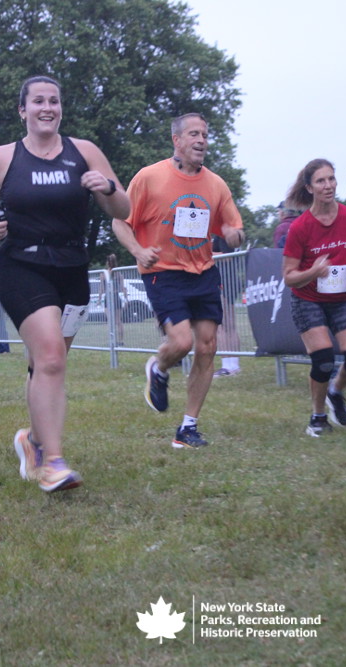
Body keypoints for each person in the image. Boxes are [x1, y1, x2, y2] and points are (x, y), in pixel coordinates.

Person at [0, 75, 130, 492]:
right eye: (38, 101)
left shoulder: (84, 152)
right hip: (21, 265)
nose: (47, 108)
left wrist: (107, 187)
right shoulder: (1, 157)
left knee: (46, 364)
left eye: (54, 101)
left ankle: (33, 441)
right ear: (23, 110)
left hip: (73, 268)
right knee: (52, 358)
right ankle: (53, 463)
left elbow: (123, 208)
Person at [112, 112, 245, 449]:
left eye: (205, 135)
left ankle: (187, 428)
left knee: (207, 347)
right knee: (182, 342)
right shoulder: (149, 177)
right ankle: (158, 368)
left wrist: (234, 234)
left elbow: (233, 226)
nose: (201, 140)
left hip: (203, 271)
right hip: (163, 271)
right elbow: (119, 222)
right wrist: (138, 251)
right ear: (177, 140)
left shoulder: (216, 184)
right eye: (194, 134)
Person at [282, 159, 346, 437]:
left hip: (342, 298)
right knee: (323, 360)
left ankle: (336, 391)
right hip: (307, 299)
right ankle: (318, 418)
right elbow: (289, 276)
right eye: (321, 181)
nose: (328, 185)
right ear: (310, 188)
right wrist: (314, 271)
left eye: (331, 178)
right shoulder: (300, 227)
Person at [212, 234, 242, 377]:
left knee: (223, 326)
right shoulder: (227, 233)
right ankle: (233, 365)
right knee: (229, 325)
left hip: (224, 280)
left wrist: (205, 253)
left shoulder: (222, 233)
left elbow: (227, 256)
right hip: (229, 280)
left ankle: (228, 366)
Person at [100, 253, 128, 346]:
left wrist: (99, 299)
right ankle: (120, 341)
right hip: (115, 296)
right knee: (118, 321)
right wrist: (126, 299)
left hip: (109, 296)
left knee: (110, 321)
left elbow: (101, 289)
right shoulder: (118, 273)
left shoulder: (104, 274)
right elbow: (123, 288)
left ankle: (112, 341)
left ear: (108, 263)